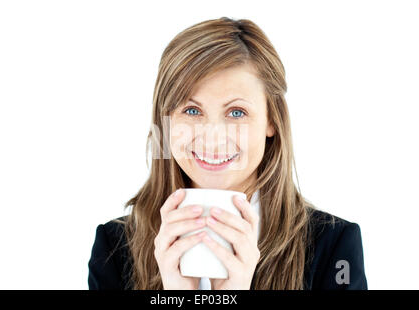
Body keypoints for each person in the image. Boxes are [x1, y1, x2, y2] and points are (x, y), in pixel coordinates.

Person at [88, 17, 367, 290]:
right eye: (192, 110)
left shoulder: (334, 246)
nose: (213, 138)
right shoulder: (113, 248)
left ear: (271, 121)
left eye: (236, 112)